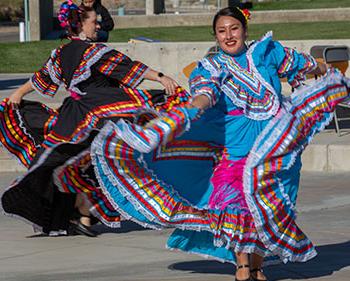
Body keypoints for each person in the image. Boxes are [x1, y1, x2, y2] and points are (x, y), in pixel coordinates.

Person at [90, 6, 350, 281]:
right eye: (221, 31)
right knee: (236, 206)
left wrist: (329, 71)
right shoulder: (211, 67)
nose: (228, 36)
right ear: (215, 36)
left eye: (234, 29)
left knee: (271, 209)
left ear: (245, 30)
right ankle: (242, 266)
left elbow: (306, 64)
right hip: (237, 150)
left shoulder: (267, 53)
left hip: (277, 149)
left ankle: (259, 266)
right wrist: (191, 109)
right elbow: (204, 93)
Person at [0, 0, 182, 237]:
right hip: (100, 111)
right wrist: (160, 77)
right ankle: (84, 210)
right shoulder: (95, 52)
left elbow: (41, 79)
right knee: (100, 159)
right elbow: (126, 68)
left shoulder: (61, 53)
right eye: (94, 23)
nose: (98, 27)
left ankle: (83, 213)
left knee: (76, 160)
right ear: (79, 26)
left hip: (73, 117)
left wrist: (18, 93)